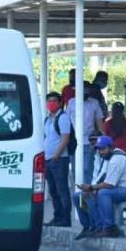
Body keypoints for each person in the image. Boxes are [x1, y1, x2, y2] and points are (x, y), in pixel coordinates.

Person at [73, 136, 126, 239]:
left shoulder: (117, 159)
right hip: (119, 188)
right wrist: (91, 189)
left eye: (103, 148)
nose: (100, 151)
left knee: (103, 193)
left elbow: (109, 184)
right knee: (78, 196)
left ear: (110, 147)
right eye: (99, 149)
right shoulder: (107, 158)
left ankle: (109, 228)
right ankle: (89, 227)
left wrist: (92, 188)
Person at [42, 92, 72, 227]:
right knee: (53, 191)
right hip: (48, 159)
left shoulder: (63, 117)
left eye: (54, 101)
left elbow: (65, 139)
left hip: (59, 159)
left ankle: (66, 219)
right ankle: (57, 217)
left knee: (62, 190)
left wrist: (55, 155)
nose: (51, 104)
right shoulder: (47, 119)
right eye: (49, 101)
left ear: (60, 103)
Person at [66, 82, 105, 186]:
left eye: (86, 90)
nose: (85, 92)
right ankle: (78, 193)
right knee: (75, 169)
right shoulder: (71, 102)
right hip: (74, 142)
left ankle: (88, 193)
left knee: (87, 168)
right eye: (83, 90)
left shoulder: (94, 103)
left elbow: (99, 122)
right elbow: (67, 121)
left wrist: (102, 139)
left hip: (89, 141)